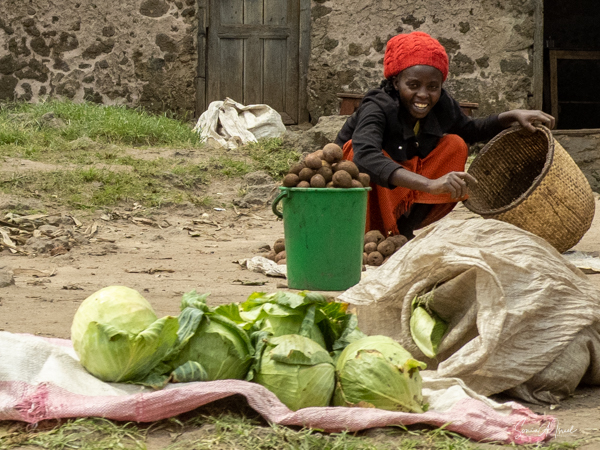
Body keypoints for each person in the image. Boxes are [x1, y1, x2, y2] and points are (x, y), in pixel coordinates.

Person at [335, 31, 555, 240]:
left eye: (433, 86)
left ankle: (403, 231)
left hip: (400, 181)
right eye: (413, 85)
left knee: (454, 145)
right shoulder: (377, 106)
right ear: (396, 83)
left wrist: (512, 116)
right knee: (355, 151)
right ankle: (368, 232)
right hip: (358, 191)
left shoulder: (441, 104)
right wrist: (429, 184)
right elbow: (365, 156)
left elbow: (470, 130)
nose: (423, 94)